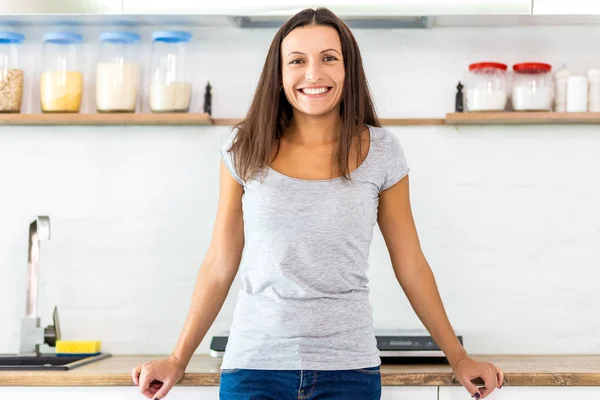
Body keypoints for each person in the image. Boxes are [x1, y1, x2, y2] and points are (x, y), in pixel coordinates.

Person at [132, 7, 504, 400]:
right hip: (255, 368)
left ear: (348, 69)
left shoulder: (382, 152)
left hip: (349, 371)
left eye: (329, 58)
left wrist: (459, 358)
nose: (313, 74)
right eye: (297, 61)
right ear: (278, 74)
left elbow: (410, 263)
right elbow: (220, 262)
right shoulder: (243, 148)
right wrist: (177, 357)